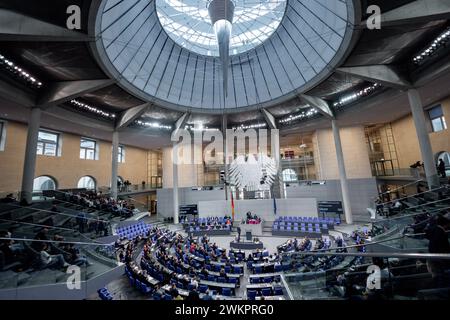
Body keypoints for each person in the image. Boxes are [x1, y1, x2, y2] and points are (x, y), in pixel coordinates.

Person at [425, 214, 450, 286]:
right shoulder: (440, 233)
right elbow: (443, 247)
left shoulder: (434, 229)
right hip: (439, 257)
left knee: (439, 274)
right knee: (441, 275)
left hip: (433, 255)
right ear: (445, 224)